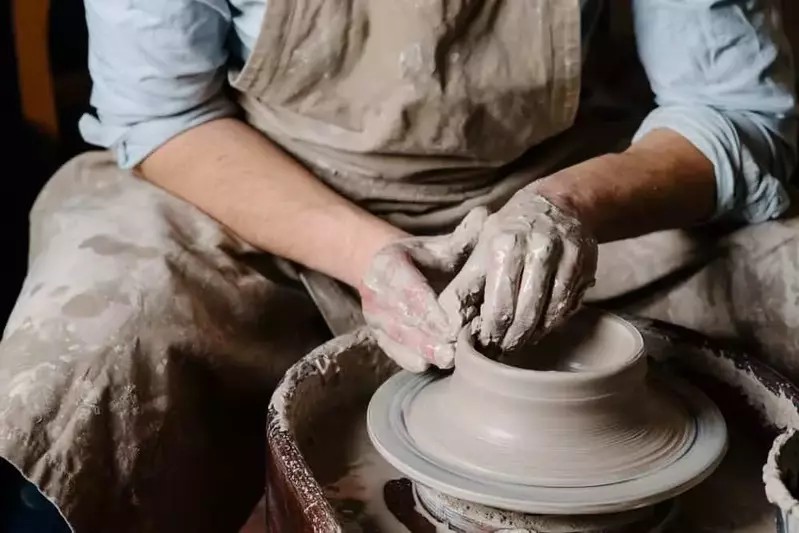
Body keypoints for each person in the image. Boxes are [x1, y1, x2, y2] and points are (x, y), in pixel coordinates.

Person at [0, 0, 796, 530]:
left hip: (544, 183)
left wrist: (570, 205)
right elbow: (164, 111)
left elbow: (735, 110)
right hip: (243, 187)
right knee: (83, 365)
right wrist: (367, 256)